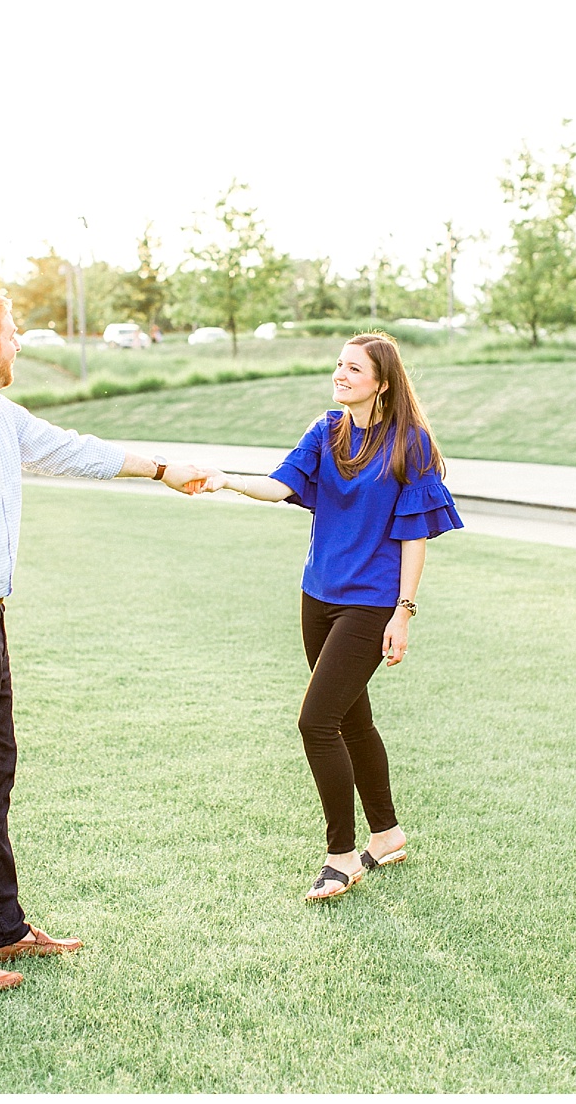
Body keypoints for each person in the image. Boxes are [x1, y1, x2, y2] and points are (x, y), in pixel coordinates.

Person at [0, 288, 217, 991]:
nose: (19, 344)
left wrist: (161, 470)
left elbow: (71, 451)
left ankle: (0, 928)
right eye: (12, 334)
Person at [205, 332, 462, 901]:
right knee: (351, 720)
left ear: (382, 381)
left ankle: (342, 855)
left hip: (370, 603)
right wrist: (225, 480)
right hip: (317, 596)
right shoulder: (326, 430)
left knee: (316, 721)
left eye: (353, 368)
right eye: (338, 365)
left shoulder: (408, 443)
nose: (340, 375)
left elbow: (416, 534)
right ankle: (388, 833)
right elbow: (279, 485)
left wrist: (405, 612)